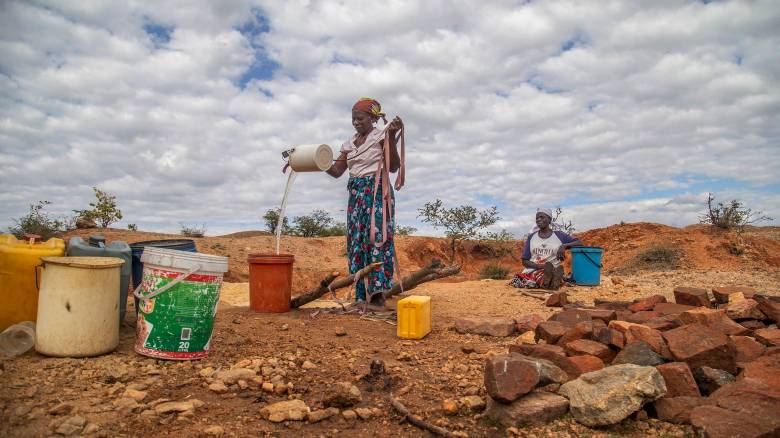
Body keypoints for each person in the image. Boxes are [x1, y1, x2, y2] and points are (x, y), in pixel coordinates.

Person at [326, 97, 404, 305]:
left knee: (377, 237)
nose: (356, 122)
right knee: (357, 242)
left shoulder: (381, 136)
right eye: (353, 119)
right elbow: (336, 172)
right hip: (356, 194)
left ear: (372, 118)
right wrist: (319, 159)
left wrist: (392, 136)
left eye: (360, 118)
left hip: (377, 190)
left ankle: (378, 296)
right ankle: (361, 294)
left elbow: (394, 166)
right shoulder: (349, 144)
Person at [510, 208, 582, 290]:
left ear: (549, 219)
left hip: (554, 269)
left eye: (542, 217)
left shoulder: (560, 235)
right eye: (537, 218)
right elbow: (525, 261)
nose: (539, 220)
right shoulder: (531, 237)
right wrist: (539, 266)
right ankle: (552, 282)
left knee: (551, 273)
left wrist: (564, 246)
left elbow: (579, 243)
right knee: (538, 275)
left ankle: (551, 280)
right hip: (534, 269)